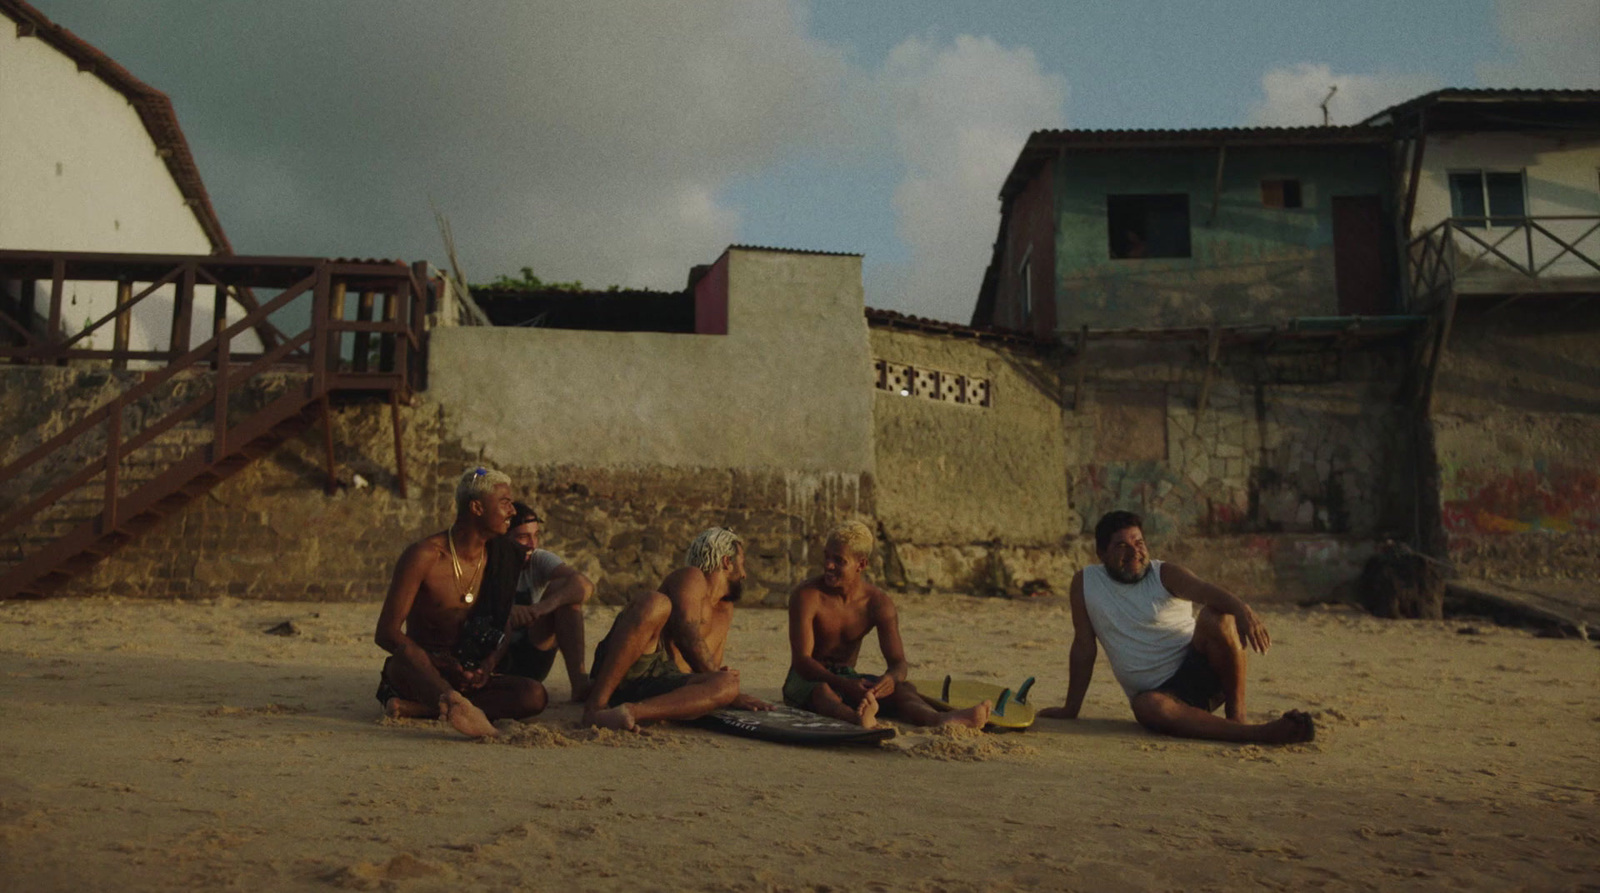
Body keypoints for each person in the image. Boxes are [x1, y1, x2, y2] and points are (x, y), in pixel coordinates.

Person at [1037, 510, 1315, 744]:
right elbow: (1084, 646)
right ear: (1101, 552)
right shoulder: (1086, 583)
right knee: (1145, 707)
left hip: (1207, 671)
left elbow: (1207, 591)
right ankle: (1255, 733)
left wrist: (1243, 611)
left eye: (1139, 543)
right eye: (1122, 546)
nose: (1135, 552)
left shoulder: (1164, 574)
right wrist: (1070, 708)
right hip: (1160, 697)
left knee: (1217, 617)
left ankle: (1238, 717)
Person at [373, 467, 547, 738]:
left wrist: (487, 666)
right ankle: (452, 704)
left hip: (469, 674)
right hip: (422, 671)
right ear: (476, 507)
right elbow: (386, 633)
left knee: (534, 696)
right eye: (504, 503)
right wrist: (440, 664)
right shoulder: (424, 556)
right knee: (407, 655)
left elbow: (503, 623)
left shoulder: (503, 556)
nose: (512, 511)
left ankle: (426, 709)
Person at [785, 520, 990, 730]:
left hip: (848, 678)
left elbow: (898, 663)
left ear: (861, 565)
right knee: (822, 692)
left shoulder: (878, 603)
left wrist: (889, 680)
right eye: (827, 556)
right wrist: (844, 685)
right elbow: (802, 661)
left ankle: (940, 720)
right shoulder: (807, 596)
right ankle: (860, 721)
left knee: (903, 689)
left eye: (839, 561)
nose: (828, 565)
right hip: (806, 679)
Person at [582, 527, 769, 731]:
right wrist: (721, 682)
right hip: (635, 663)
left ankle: (631, 713)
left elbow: (709, 667)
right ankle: (596, 707)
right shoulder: (692, 577)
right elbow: (685, 634)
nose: (744, 574)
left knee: (727, 684)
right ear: (727, 562)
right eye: (742, 564)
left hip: (662, 684)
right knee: (656, 603)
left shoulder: (726, 610)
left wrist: (724, 682)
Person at [499, 501, 594, 702]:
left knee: (565, 593)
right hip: (494, 658)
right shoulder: (486, 562)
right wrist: (506, 613)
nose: (532, 544)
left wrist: (540, 609)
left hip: (532, 655)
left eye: (536, 535)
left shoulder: (538, 559)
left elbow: (584, 585)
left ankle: (579, 684)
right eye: (523, 537)